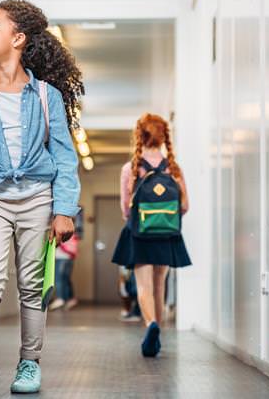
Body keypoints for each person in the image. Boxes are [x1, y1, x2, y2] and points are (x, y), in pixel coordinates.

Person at [0, 0, 83, 397]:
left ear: (18, 38)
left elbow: (63, 156)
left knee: (30, 284)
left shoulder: (46, 96)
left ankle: (29, 363)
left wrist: (64, 211)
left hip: (36, 199)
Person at [112, 113, 191, 358]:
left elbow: (126, 208)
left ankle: (151, 326)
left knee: (143, 286)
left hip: (140, 234)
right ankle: (159, 335)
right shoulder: (173, 168)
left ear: (139, 136)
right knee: (159, 286)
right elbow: (185, 205)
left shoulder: (131, 168)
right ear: (163, 136)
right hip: (167, 235)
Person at [50, 233, 79, 311]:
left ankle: (60, 298)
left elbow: (57, 242)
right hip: (69, 258)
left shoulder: (61, 231)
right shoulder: (73, 233)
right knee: (66, 280)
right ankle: (69, 300)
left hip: (61, 257)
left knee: (58, 279)